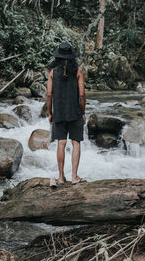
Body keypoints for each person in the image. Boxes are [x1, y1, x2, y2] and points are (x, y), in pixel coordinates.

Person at [46, 42, 86, 185]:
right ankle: (74, 177)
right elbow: (82, 94)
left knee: (61, 143)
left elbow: (49, 94)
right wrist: (83, 112)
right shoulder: (78, 71)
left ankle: (61, 177)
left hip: (59, 112)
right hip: (74, 112)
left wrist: (50, 113)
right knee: (76, 143)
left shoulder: (52, 72)